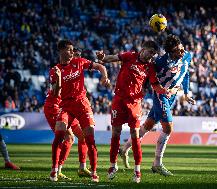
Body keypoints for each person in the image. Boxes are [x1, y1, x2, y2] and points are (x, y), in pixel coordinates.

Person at [120, 34, 196, 176]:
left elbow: (185, 74)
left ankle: (124, 149)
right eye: (177, 51)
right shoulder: (160, 62)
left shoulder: (186, 56)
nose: (182, 52)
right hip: (161, 95)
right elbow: (148, 76)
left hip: (172, 96)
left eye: (181, 48)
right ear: (169, 52)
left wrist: (186, 93)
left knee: (148, 125)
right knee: (168, 128)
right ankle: (157, 164)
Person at [96, 40, 168, 183]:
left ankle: (137, 171)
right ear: (143, 49)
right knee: (115, 132)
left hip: (135, 103)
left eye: (154, 54)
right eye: (150, 52)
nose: (151, 56)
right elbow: (111, 58)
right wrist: (102, 57)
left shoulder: (150, 67)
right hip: (119, 100)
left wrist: (166, 91)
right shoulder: (129, 56)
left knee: (135, 135)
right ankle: (112, 166)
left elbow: (155, 85)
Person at [49, 39, 110, 182]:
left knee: (89, 138)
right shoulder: (55, 70)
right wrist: (58, 79)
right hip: (67, 107)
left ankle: (94, 172)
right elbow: (56, 94)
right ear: (61, 51)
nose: (72, 52)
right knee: (59, 135)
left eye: (72, 50)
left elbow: (101, 67)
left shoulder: (79, 62)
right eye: (69, 50)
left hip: (83, 105)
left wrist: (105, 77)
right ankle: (54, 170)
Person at [44, 48, 92, 181]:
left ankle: (82, 167)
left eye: (77, 56)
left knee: (82, 136)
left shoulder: (76, 72)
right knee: (69, 138)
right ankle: (56, 170)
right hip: (55, 107)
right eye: (74, 55)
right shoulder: (59, 70)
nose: (75, 60)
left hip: (69, 108)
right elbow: (56, 92)